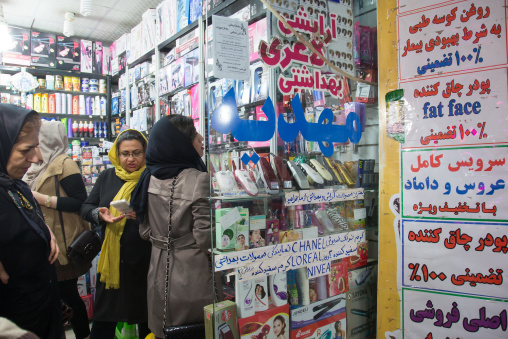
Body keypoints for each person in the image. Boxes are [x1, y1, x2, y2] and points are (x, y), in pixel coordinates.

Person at [131, 115, 216, 339]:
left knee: (164, 328)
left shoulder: (148, 177)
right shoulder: (198, 179)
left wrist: (163, 241)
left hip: (158, 268)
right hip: (191, 271)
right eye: (194, 133)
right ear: (181, 143)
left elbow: (144, 230)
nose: (200, 137)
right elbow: (205, 238)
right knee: (195, 329)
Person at [23, 120, 91, 339]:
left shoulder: (64, 164)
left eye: (37, 141)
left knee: (68, 295)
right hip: (43, 242)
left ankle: (82, 335)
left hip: (63, 244)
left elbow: (81, 202)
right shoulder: (34, 167)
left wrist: (44, 199)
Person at [80, 129, 151, 339]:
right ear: (116, 155)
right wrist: (99, 214)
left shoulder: (152, 177)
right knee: (103, 323)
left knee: (147, 320)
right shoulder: (107, 177)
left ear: (146, 152)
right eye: (125, 153)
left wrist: (143, 216)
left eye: (136, 153)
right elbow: (86, 207)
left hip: (143, 261)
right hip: (112, 264)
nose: (130, 159)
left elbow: (165, 215)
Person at [0, 104, 62, 338]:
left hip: (41, 311)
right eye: (26, 149)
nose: (37, 158)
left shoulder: (16, 186)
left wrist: (43, 229)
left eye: (36, 147)